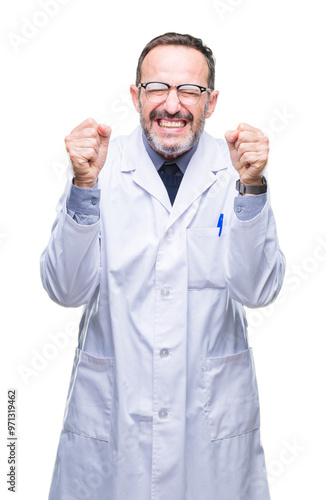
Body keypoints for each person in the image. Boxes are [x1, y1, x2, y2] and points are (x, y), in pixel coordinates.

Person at [41, 32, 285, 500]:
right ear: (136, 96)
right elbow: (65, 289)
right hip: (114, 423)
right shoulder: (100, 170)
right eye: (157, 88)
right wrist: (82, 187)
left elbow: (258, 291)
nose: (172, 105)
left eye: (189, 91)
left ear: (210, 102)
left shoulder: (235, 170)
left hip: (209, 428)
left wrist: (253, 189)